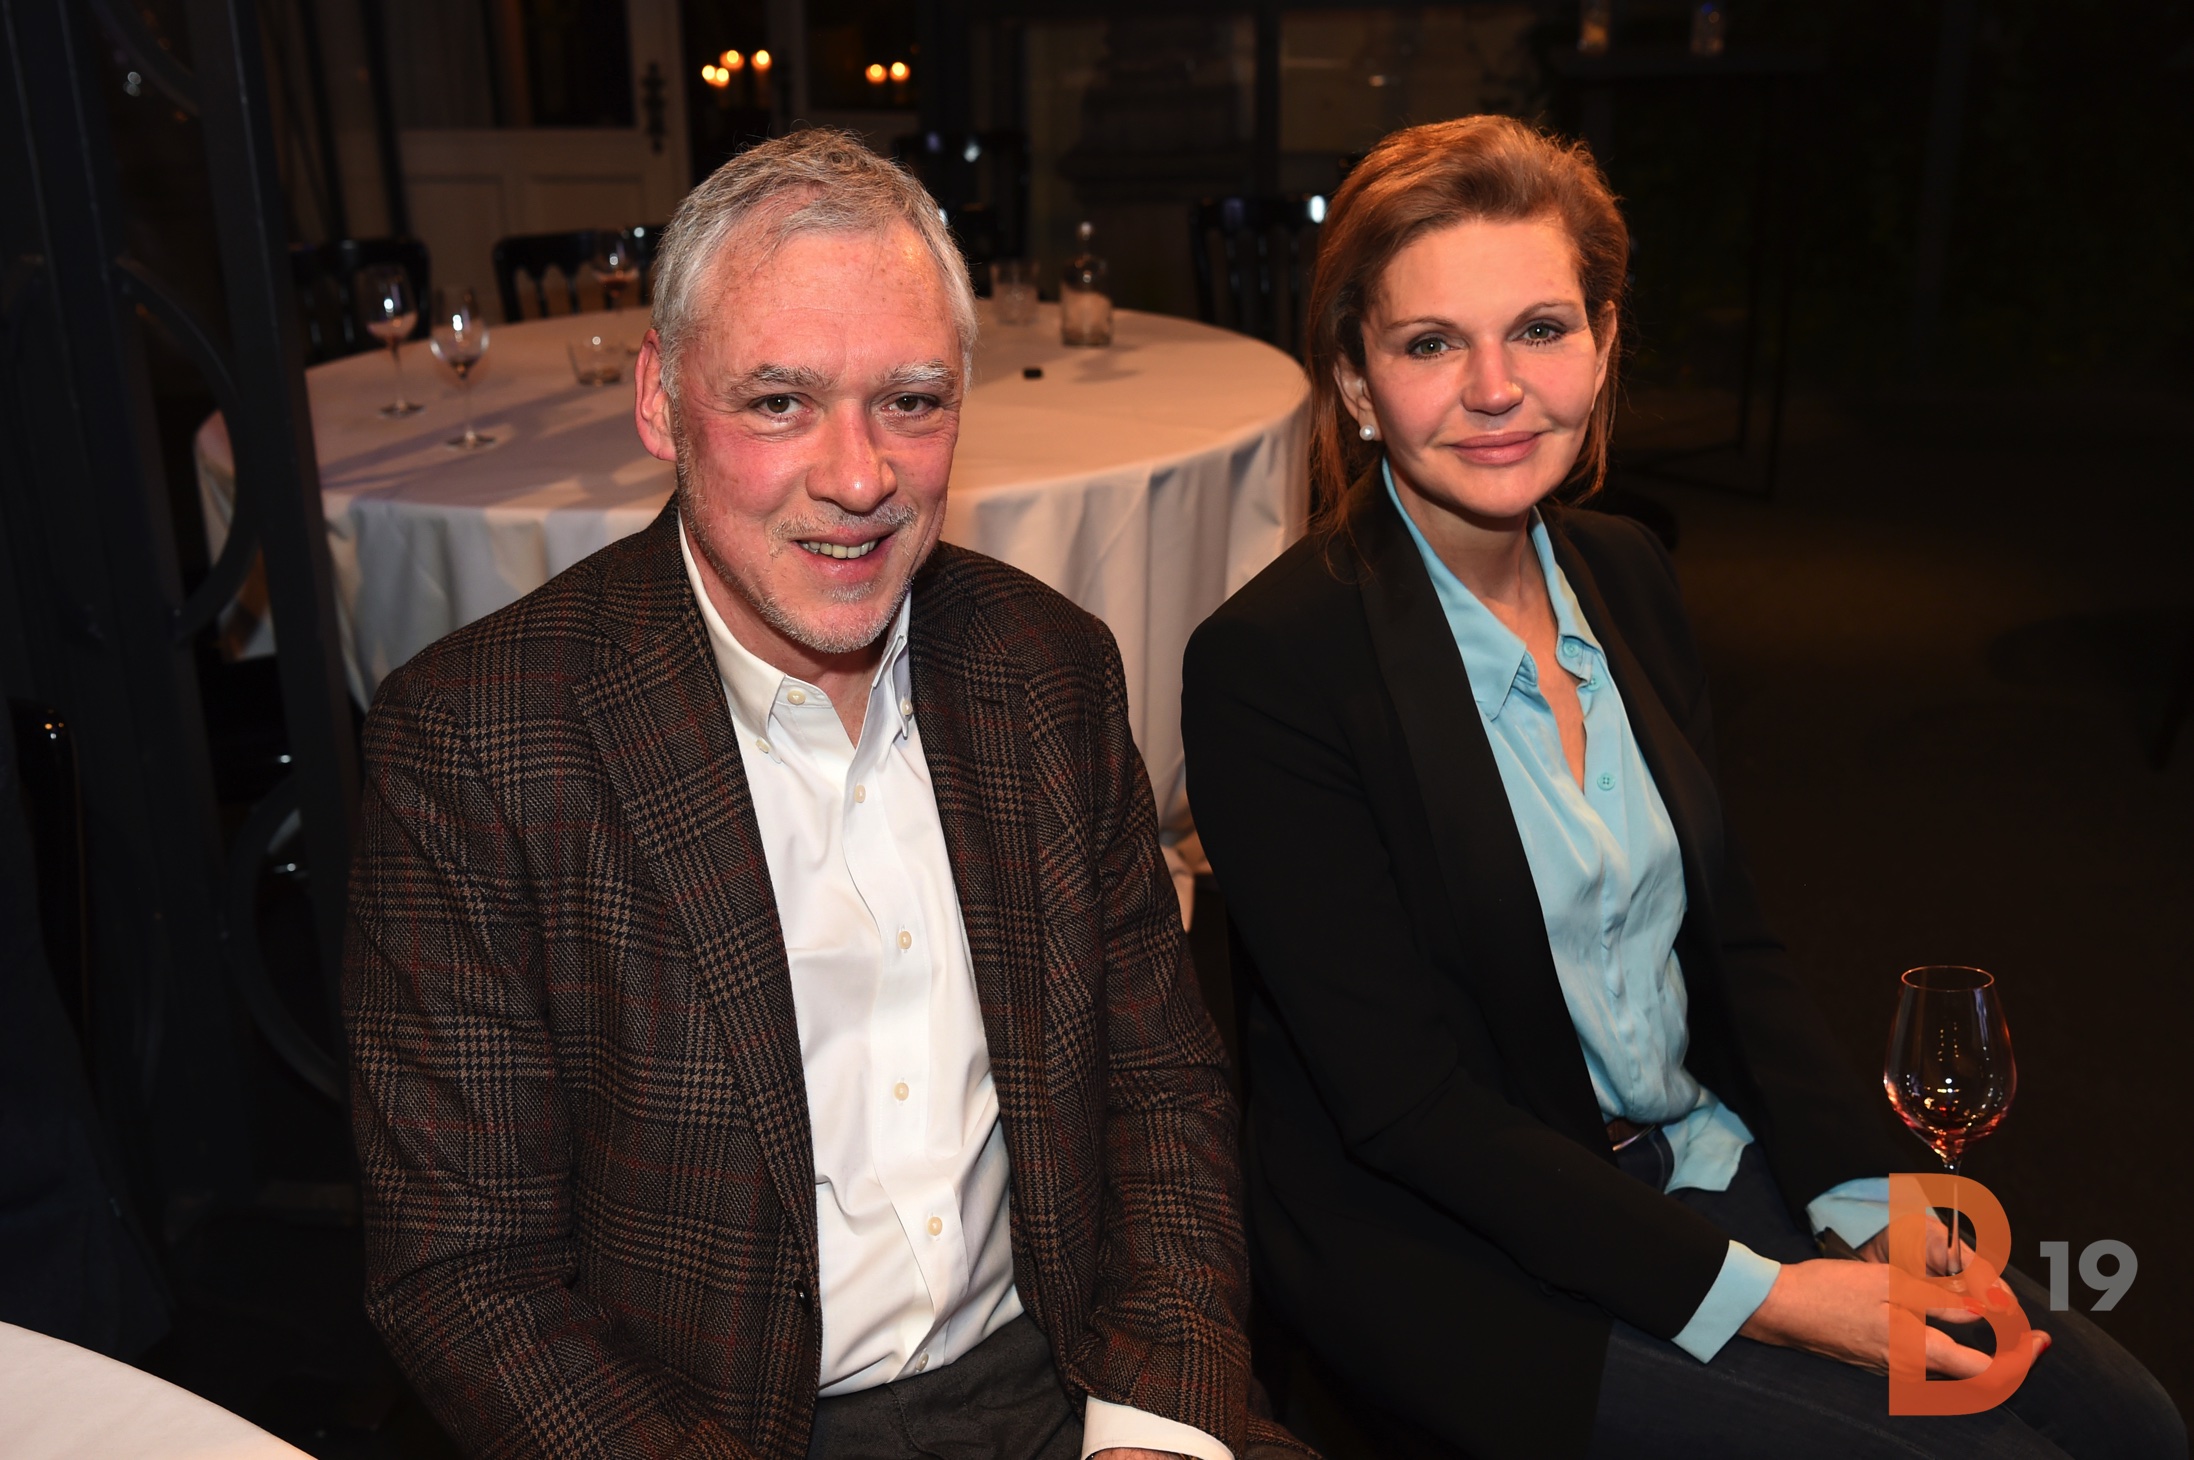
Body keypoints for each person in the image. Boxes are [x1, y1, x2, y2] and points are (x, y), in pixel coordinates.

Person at [1180, 115, 2183, 1460]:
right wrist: (1781, 1301)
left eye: (1541, 330)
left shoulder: (1626, 574)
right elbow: (1411, 1112)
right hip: (1472, 1252)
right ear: (1356, 382)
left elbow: (1733, 951)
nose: (1495, 388)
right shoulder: (1272, 665)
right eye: (1430, 345)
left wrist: (1864, 1195)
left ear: (1602, 343)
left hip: (1700, 1153)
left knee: (2128, 1422)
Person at [344, 130, 1310, 1460]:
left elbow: (1162, 1094)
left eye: (911, 401)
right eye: (779, 403)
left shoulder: (1047, 669)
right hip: (722, 1427)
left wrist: (1152, 1427)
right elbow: (466, 1276)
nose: (859, 479)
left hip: (1073, 1376)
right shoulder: (477, 743)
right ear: (659, 402)